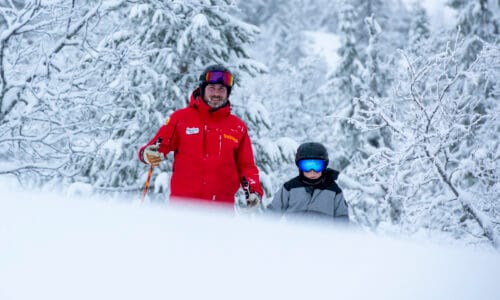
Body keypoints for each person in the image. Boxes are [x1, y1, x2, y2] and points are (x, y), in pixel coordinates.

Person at [138, 64, 263, 207]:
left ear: (228, 93)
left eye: (222, 89)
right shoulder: (181, 118)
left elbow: (246, 166)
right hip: (183, 208)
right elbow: (157, 146)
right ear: (203, 89)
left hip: (221, 210)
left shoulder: (237, 127)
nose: (216, 93)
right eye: (212, 88)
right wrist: (147, 154)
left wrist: (254, 191)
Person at [266, 142, 349, 224]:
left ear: (324, 166)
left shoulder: (334, 191)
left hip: (323, 236)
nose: (312, 171)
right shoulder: (290, 188)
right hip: (293, 235)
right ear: (299, 166)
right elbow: (273, 213)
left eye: (317, 166)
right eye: (307, 166)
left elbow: (342, 220)